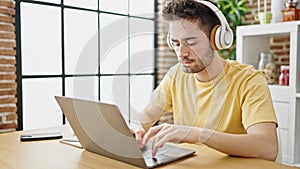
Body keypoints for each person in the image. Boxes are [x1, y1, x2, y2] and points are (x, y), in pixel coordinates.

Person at [130, 0, 278, 161]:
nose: (181, 53)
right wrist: (137, 127)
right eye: (176, 43)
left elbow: (267, 148)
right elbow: (145, 116)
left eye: (191, 42)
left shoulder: (249, 80)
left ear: (217, 39)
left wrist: (197, 134)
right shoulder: (176, 76)